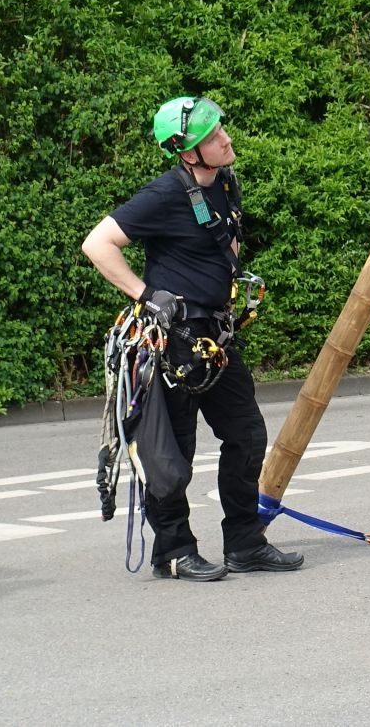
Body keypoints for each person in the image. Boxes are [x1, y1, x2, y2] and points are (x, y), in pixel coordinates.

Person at [81, 96, 302, 582]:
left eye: (221, 130)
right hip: (172, 341)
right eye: (213, 137)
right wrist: (147, 296)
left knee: (246, 435)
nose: (226, 138)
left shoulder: (224, 182)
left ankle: (245, 543)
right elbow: (97, 244)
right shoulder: (163, 195)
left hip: (215, 338)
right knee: (172, 451)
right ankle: (174, 552)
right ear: (188, 153)